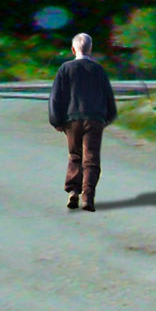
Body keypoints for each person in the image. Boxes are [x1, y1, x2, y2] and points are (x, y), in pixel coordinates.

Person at [49, 31, 118, 213]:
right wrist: (108, 117)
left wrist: (56, 119)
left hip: (72, 119)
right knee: (91, 159)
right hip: (95, 118)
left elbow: (56, 97)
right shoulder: (98, 70)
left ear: (73, 50)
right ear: (91, 49)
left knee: (75, 156)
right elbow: (108, 97)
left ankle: (73, 191)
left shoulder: (65, 69)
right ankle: (88, 197)